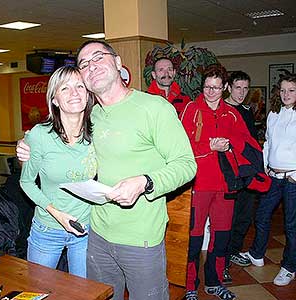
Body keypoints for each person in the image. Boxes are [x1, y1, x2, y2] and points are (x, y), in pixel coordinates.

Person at [18, 40, 196, 300]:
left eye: (98, 57)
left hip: (140, 238)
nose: (92, 66)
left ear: (117, 63)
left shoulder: (155, 108)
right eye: (84, 64)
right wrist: (24, 148)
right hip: (96, 236)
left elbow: (187, 165)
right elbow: (52, 147)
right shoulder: (91, 117)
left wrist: (146, 182)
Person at [180, 65, 267, 300]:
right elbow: (180, 147)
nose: (211, 92)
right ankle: (189, 286)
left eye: (217, 88)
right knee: (194, 240)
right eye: (208, 87)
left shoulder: (231, 113)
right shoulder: (191, 109)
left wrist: (234, 147)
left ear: (224, 88)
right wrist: (209, 146)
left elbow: (247, 144)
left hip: (226, 186)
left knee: (222, 237)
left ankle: (214, 282)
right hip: (197, 186)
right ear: (203, 86)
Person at [19, 66, 97, 278]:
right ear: (54, 99)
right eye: (65, 88)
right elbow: (26, 182)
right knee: (39, 291)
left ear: (88, 93)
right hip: (48, 228)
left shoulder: (98, 130)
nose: (74, 93)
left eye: (80, 86)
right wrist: (58, 214)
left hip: (86, 229)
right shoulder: (40, 135)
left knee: (84, 294)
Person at [240, 74, 296, 286]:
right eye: (282, 90)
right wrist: (264, 168)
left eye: (291, 90)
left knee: (291, 226)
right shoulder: (273, 114)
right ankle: (256, 253)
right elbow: (269, 144)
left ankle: (289, 267)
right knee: (262, 216)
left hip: (292, 178)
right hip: (272, 175)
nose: (286, 95)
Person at [222, 71, 259, 283]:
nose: (242, 93)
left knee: (244, 217)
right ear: (228, 87)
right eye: (238, 88)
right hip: (229, 174)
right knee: (229, 219)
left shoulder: (246, 110)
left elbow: (252, 142)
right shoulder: (222, 110)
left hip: (248, 173)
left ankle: (234, 250)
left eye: (246, 89)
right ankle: (223, 261)